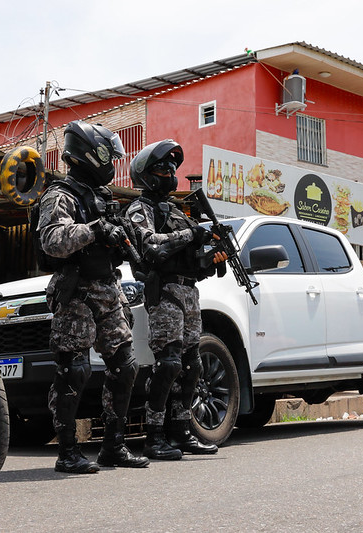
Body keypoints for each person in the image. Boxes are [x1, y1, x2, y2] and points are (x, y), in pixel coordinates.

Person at [37, 120, 149, 473]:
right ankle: (67, 451)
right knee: (74, 370)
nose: (111, 164)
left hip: (108, 288)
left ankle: (113, 446)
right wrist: (94, 230)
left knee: (125, 367)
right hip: (77, 291)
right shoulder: (60, 195)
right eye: (106, 157)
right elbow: (52, 240)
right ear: (88, 155)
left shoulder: (103, 196)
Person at [125, 140, 227, 460]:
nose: (170, 173)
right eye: (163, 168)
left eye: (173, 168)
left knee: (192, 365)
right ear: (145, 175)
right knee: (168, 364)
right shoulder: (139, 209)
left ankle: (181, 432)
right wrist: (193, 234)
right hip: (164, 292)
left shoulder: (178, 213)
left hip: (189, 293)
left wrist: (215, 257)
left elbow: (195, 263)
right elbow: (152, 248)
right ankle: (154, 436)